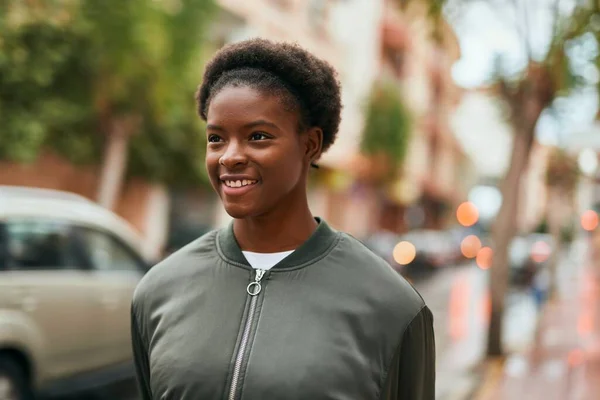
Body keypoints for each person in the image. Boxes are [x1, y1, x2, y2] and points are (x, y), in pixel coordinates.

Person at [131, 38, 435, 400]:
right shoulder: (159, 290)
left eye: (257, 136)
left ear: (310, 145)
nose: (229, 157)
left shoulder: (393, 307)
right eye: (215, 138)